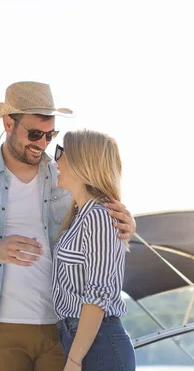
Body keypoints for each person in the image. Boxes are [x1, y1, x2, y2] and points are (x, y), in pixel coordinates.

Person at [0, 81, 136, 371]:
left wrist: (128, 222)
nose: (43, 143)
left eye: (50, 135)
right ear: (8, 124)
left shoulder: (64, 173)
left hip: (61, 330)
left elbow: (98, 222)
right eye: (34, 134)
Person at [52, 130, 136, 371]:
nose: (55, 160)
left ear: (81, 161)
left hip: (97, 345)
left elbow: (97, 296)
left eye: (61, 152)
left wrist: (74, 360)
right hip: (82, 340)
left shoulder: (98, 216)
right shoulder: (79, 216)